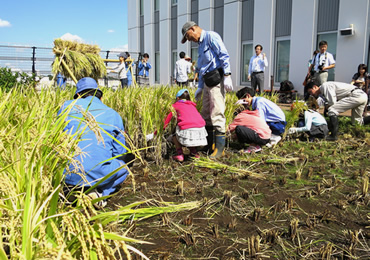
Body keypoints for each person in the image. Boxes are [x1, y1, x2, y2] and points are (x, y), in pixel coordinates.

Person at [58, 77, 134, 206]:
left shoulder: (66, 106)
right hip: (99, 174)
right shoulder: (113, 114)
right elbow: (119, 151)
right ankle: (101, 193)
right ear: (100, 97)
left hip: (68, 172)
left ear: (77, 95)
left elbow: (56, 138)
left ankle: (66, 189)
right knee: (124, 168)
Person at [181, 21, 233, 159]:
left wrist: (227, 75)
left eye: (188, 36)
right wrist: (199, 87)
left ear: (192, 29)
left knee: (216, 112)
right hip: (206, 82)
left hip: (216, 80)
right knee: (206, 114)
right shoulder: (200, 46)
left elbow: (224, 55)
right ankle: (209, 144)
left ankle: (219, 149)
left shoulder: (211, 37)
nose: (189, 40)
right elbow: (202, 67)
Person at [147, 89, 207, 162]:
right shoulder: (192, 106)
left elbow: (164, 124)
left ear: (178, 98)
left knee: (174, 134)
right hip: (201, 131)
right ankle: (194, 153)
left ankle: (180, 154)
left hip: (188, 130)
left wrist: (153, 134)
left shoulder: (175, 106)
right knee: (189, 132)